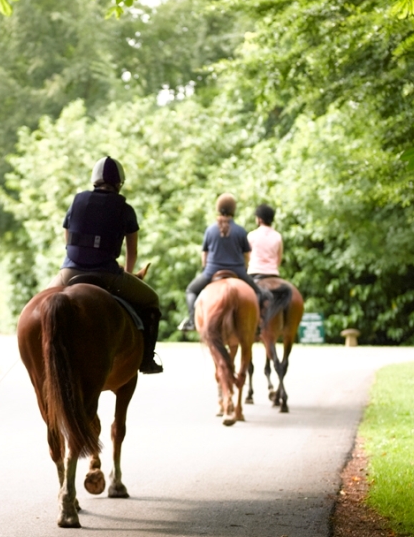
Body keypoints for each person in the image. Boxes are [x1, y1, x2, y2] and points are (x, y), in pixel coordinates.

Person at [48, 156, 164, 374]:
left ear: (94, 181)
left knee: (41, 304)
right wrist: (128, 273)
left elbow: (67, 236)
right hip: (106, 274)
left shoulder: (77, 200)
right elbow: (133, 251)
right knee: (152, 300)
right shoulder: (125, 208)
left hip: (70, 271)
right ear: (119, 183)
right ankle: (147, 360)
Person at [177, 193, 268, 332]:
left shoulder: (210, 230)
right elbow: (246, 256)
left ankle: (191, 321)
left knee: (191, 290)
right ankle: (256, 324)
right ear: (233, 210)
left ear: (218, 209)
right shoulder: (241, 231)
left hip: (212, 271)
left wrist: (205, 268)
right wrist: (244, 268)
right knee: (259, 293)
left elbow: (204, 255)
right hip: (238, 272)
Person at [247, 203, 283, 278]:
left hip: (254, 272)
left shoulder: (252, 235)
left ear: (260, 219)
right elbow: (279, 259)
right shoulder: (278, 236)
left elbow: (248, 256)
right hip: (273, 273)